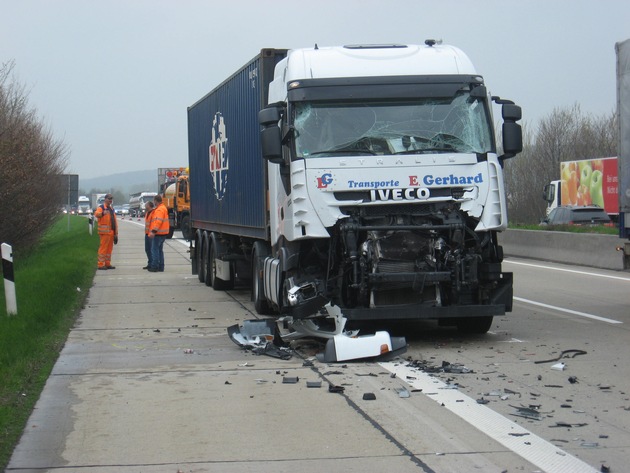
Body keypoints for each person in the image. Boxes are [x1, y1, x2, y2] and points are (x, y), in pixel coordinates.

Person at [93, 193, 118, 270]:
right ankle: (100, 264)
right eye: (109, 199)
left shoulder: (111, 209)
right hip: (104, 232)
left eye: (111, 199)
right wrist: (102, 213)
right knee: (103, 249)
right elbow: (96, 214)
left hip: (111, 232)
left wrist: (116, 233)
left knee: (109, 249)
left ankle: (107, 263)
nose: (110, 200)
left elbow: (114, 222)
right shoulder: (101, 208)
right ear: (105, 199)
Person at [147, 194, 169, 272]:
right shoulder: (163, 208)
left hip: (158, 233)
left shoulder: (159, 210)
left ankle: (155, 266)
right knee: (160, 250)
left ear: (156, 201)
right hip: (163, 233)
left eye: (154, 201)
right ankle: (161, 266)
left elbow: (158, 221)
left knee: (155, 250)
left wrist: (153, 231)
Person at [142, 201, 155, 270]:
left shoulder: (153, 213)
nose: (145, 206)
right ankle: (150, 263)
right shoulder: (147, 213)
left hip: (151, 234)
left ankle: (153, 263)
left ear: (149, 206)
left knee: (151, 250)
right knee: (147, 249)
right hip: (147, 234)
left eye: (146, 205)